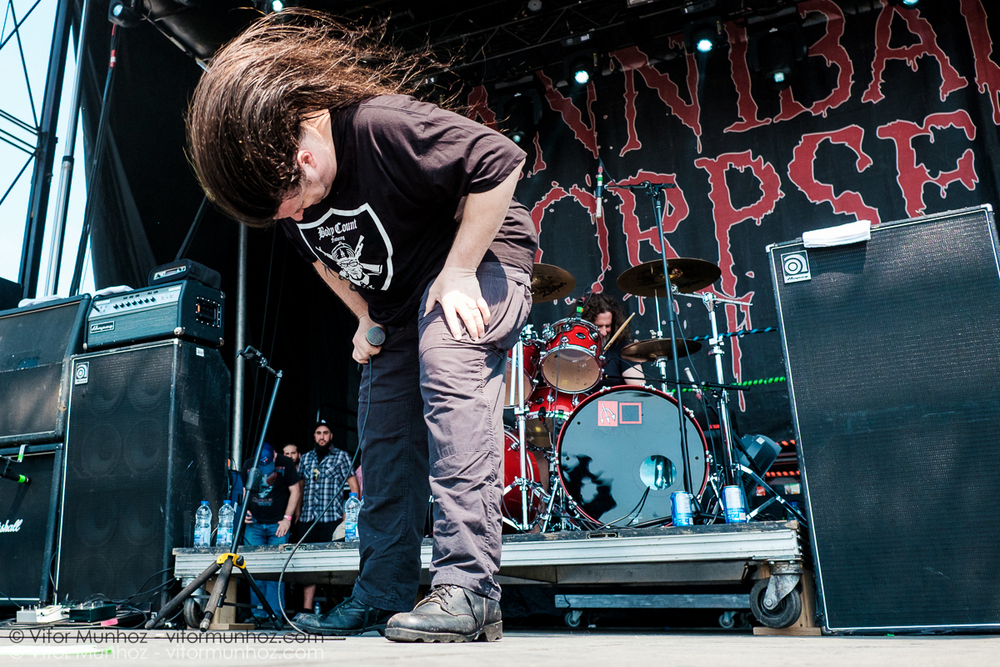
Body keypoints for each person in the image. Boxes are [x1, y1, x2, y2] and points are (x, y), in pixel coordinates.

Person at [186, 9, 534, 643]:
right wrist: (365, 316)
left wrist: (459, 270)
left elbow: (499, 161)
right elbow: (323, 260)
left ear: (304, 152)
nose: (292, 215)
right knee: (384, 436)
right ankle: (381, 593)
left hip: (480, 257)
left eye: (293, 200)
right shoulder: (287, 195)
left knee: (449, 363)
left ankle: (470, 590)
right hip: (398, 304)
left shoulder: (378, 126)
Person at [297, 419, 357, 615]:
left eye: (325, 433)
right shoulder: (306, 458)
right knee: (308, 565)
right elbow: (300, 487)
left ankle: (334, 608)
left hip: (332, 518)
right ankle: (307, 609)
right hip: (308, 518)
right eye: (318, 433)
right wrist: (296, 513)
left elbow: (354, 486)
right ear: (314, 436)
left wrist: (348, 515)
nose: (321, 436)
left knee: (332, 563)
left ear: (331, 436)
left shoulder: (341, 456)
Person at [241, 442, 301, 624]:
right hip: (255, 524)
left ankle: (275, 615)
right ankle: (258, 615)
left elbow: (295, 491)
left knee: (275, 570)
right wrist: (245, 511)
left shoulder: (286, 464)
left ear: (274, 455)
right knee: (254, 570)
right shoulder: (248, 464)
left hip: (277, 524)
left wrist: (287, 518)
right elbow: (244, 490)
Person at [581, 293, 644, 389]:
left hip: (614, 398)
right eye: (599, 326)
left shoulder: (620, 345)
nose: (604, 332)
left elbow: (639, 386)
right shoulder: (574, 348)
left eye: (607, 326)